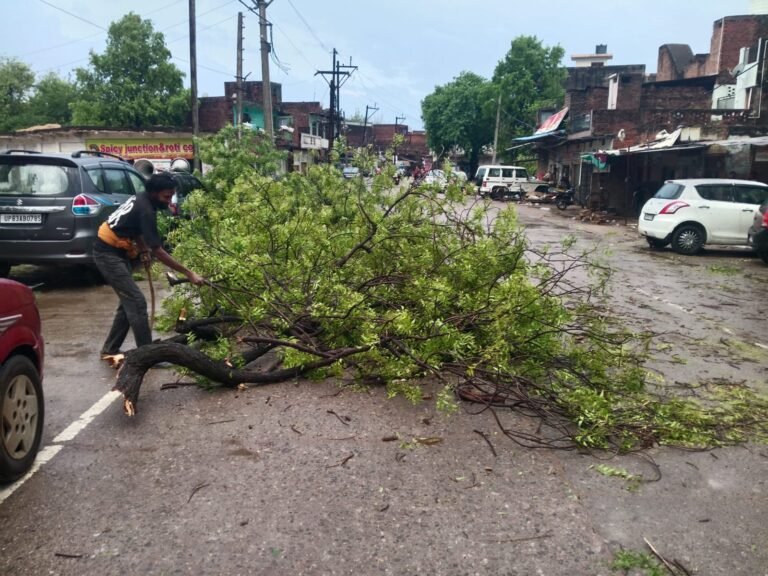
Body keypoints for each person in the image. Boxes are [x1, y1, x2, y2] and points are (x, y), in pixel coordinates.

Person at [94, 172, 204, 361]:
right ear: (154, 193)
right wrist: (189, 273)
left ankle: (110, 350)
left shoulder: (143, 199)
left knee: (128, 303)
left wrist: (143, 249)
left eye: (171, 196)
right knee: (136, 302)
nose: (169, 201)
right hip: (107, 254)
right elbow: (159, 252)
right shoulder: (145, 209)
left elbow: (133, 227)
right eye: (166, 197)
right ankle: (147, 356)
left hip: (117, 250)